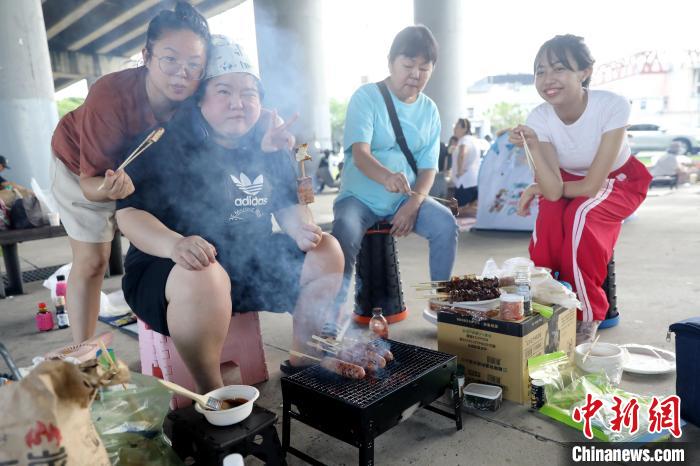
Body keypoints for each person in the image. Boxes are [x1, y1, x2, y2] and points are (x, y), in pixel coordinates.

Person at [116, 36, 344, 392]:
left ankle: (304, 361)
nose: (239, 103)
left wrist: (301, 228)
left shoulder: (268, 140)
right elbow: (129, 214)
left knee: (326, 249)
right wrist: (176, 244)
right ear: (200, 98)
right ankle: (214, 394)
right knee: (203, 273)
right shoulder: (165, 142)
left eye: (249, 93)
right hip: (172, 273)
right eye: (224, 91)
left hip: (249, 264)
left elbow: (288, 203)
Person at [50, 2, 210, 343]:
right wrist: (108, 191)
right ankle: (84, 354)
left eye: (194, 64)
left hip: (145, 176)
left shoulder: (197, 98)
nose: (182, 72)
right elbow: (90, 185)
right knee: (94, 260)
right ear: (147, 56)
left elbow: (236, 111)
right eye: (169, 59)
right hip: (84, 169)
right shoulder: (110, 95)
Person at [509, 34, 652, 344]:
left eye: (559, 69)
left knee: (580, 215)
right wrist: (532, 146)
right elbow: (552, 191)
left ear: (585, 72)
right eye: (540, 71)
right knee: (549, 221)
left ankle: (588, 315)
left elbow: (590, 185)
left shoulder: (611, 106)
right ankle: (549, 302)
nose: (548, 79)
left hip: (617, 181)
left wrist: (543, 189)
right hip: (566, 183)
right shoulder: (539, 118)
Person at [332, 25, 458, 313]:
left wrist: (413, 205)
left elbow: (428, 169)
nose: (415, 74)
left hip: (404, 199)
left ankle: (440, 303)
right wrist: (386, 176)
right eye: (408, 65)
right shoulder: (366, 97)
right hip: (358, 198)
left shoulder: (430, 110)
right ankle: (331, 315)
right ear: (391, 62)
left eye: (424, 68)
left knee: (445, 224)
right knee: (344, 232)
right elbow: (360, 155)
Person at [450, 118, 481, 217]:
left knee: (454, 211)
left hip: (464, 182)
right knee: (470, 209)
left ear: (465, 129)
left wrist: (459, 171)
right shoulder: (474, 140)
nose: (454, 129)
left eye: (457, 127)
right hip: (474, 180)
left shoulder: (464, 140)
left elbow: (462, 153)